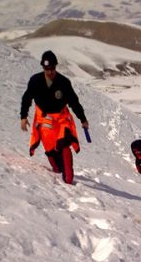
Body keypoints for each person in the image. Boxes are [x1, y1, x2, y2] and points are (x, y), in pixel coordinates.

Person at [20, 50, 89, 184]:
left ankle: (68, 177)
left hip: (62, 119)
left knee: (64, 143)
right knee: (51, 152)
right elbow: (27, 98)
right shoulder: (35, 81)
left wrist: (83, 119)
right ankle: (58, 168)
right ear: (43, 67)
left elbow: (74, 102)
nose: (50, 71)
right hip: (44, 120)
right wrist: (23, 117)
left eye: (52, 68)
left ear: (56, 67)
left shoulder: (64, 82)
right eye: (47, 69)